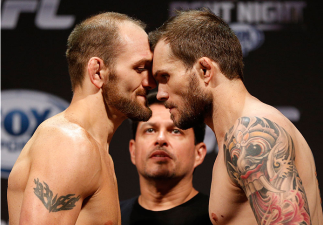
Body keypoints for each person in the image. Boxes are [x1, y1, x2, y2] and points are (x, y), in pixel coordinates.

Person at [149, 8, 323, 225]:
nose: (161, 93)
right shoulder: (238, 134)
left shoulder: (250, 135)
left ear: (204, 70)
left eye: (165, 76)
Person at [7, 12, 156, 225]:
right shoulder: (70, 144)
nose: (150, 81)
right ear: (97, 72)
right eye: (140, 68)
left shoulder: (94, 150)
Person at [120, 92, 212, 225]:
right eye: (150, 130)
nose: (161, 139)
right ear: (133, 151)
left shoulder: (221, 219)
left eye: (175, 131)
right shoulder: (112, 218)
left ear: (199, 153)